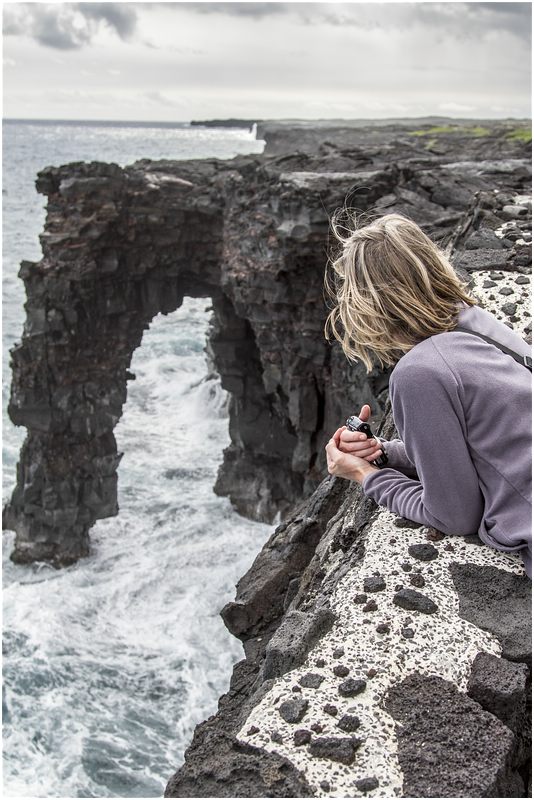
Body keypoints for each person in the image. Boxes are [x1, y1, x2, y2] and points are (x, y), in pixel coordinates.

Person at [323, 210, 532, 578]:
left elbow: (454, 514)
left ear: (367, 302)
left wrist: (364, 474)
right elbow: (490, 441)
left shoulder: (419, 373)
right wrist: (386, 453)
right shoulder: (474, 321)